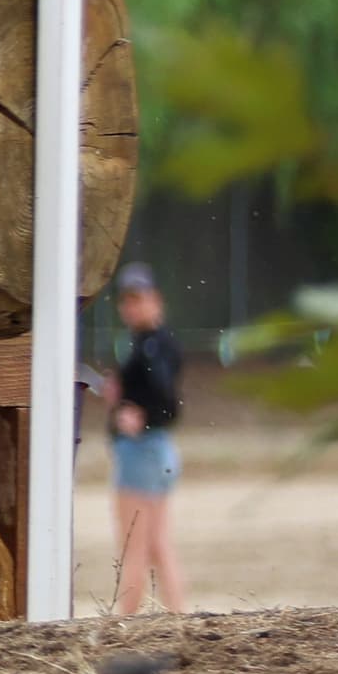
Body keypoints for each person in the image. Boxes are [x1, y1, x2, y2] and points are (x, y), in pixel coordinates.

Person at [104, 263, 190, 615]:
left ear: (156, 300)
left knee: (134, 545)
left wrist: (138, 416)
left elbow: (167, 400)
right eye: (126, 300)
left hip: (143, 452)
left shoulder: (150, 347)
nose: (131, 307)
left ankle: (125, 620)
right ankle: (181, 615)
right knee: (156, 543)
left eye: (138, 299)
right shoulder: (157, 344)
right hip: (160, 452)